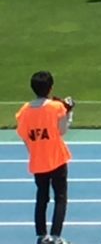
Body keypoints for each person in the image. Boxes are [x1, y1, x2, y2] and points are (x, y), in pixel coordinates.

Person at [15, 71, 74, 244]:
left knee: (42, 197)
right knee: (60, 198)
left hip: (38, 160)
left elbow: (24, 136)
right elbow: (62, 130)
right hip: (57, 158)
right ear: (51, 88)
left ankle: (42, 235)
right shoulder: (57, 107)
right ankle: (56, 237)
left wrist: (34, 151)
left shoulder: (24, 111)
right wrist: (69, 112)